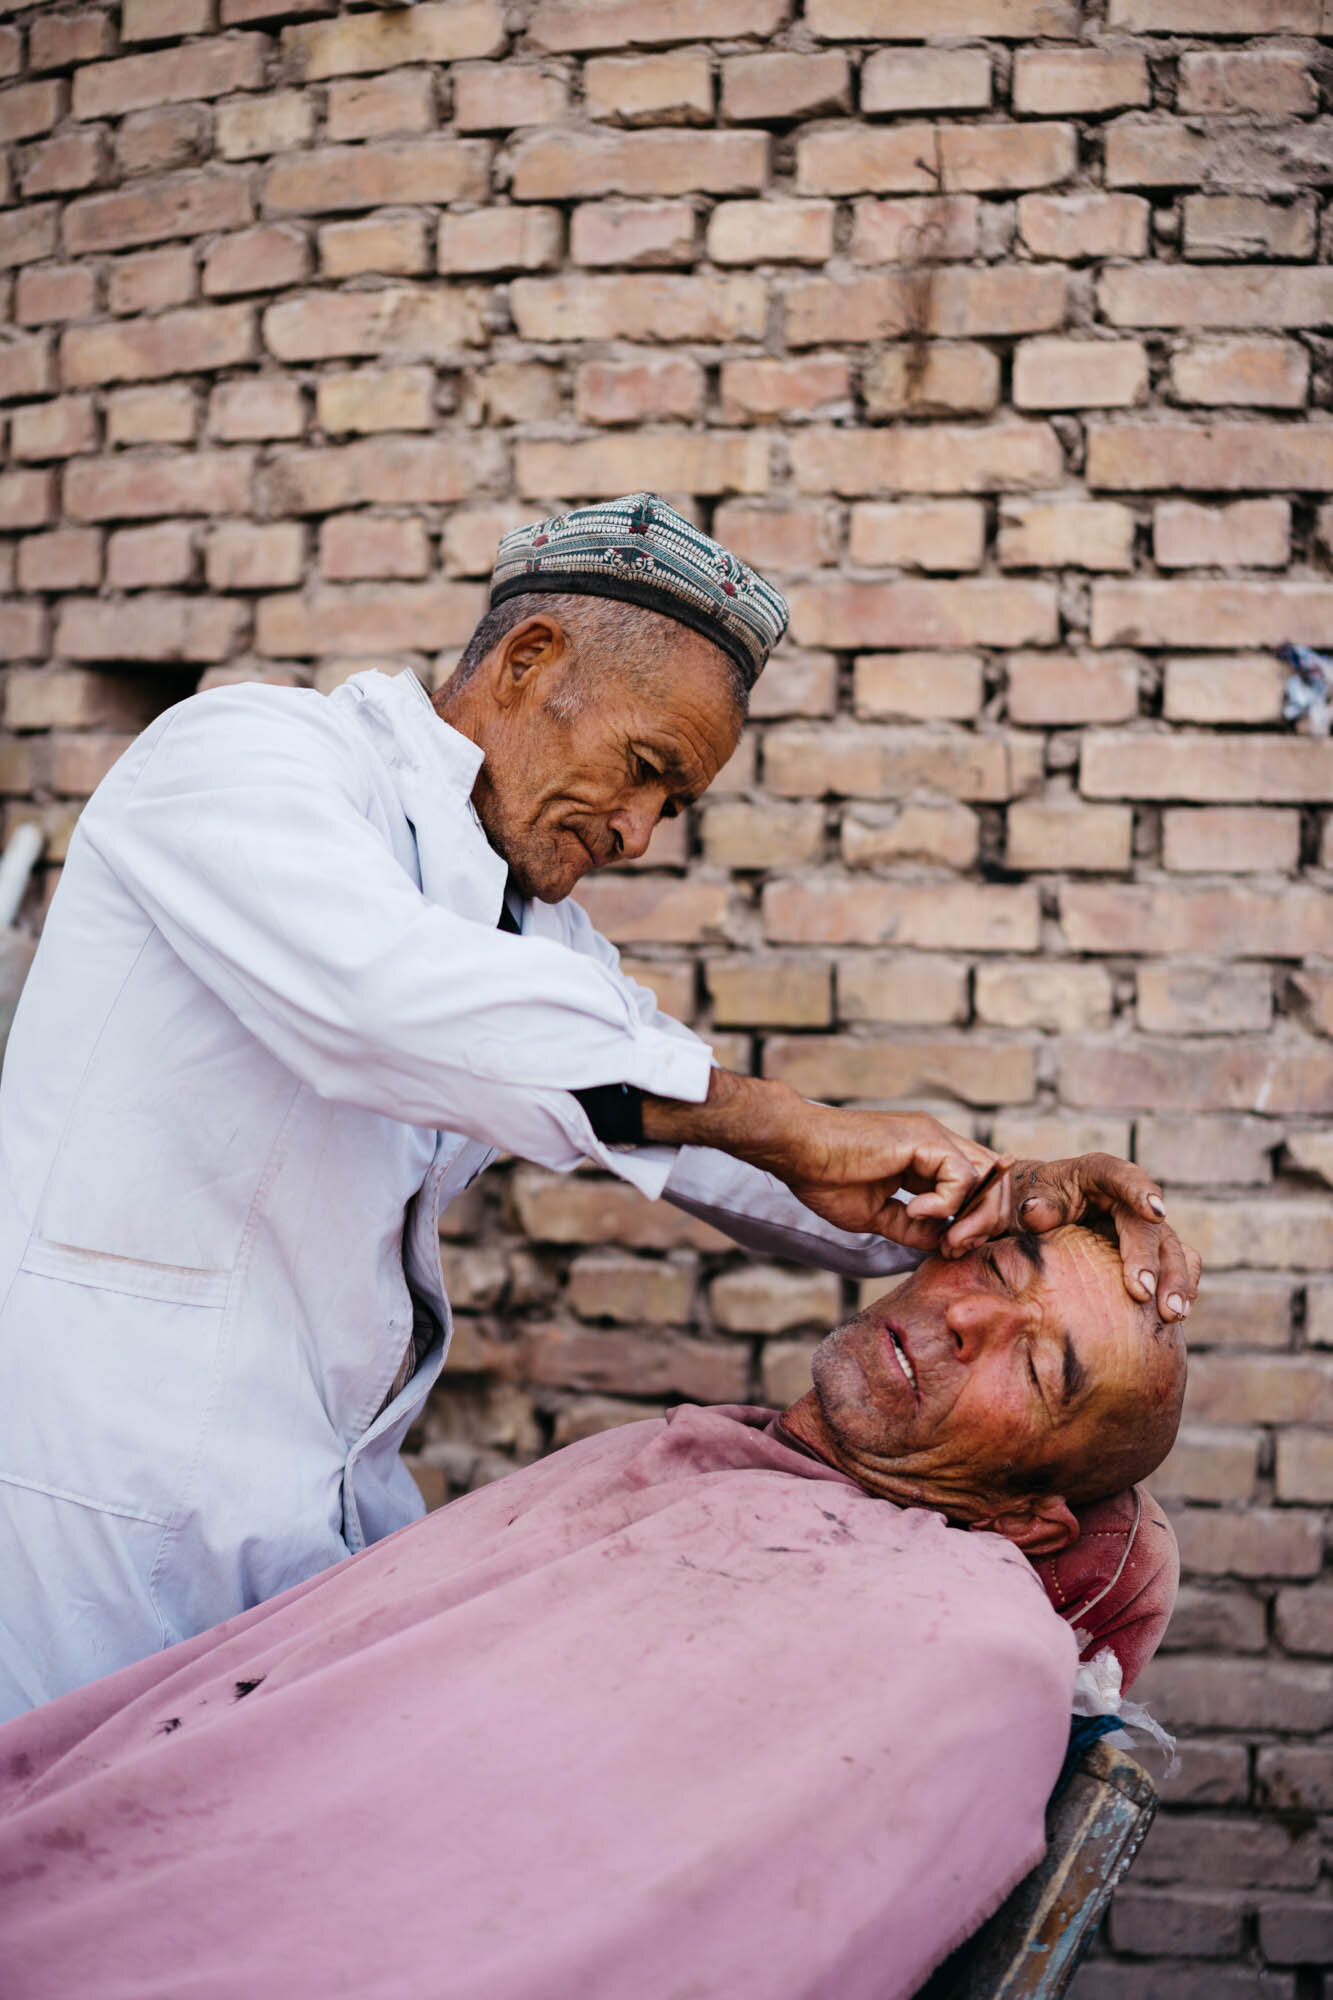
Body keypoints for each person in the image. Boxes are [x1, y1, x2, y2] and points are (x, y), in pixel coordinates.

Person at [0, 493, 1196, 1719]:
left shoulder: (534, 937)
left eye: (670, 806)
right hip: (80, 1511)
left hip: (299, 1526)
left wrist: (1006, 1208)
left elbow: (706, 1143)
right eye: (643, 771)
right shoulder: (247, 758)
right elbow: (390, 1003)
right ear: (529, 662)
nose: (635, 832)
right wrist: (774, 1119)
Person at [0, 1223, 1188, 2000]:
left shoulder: (957, 1636)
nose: (970, 1318)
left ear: (1032, 1519)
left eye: (1036, 1367)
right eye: (993, 1267)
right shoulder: (682, 1459)